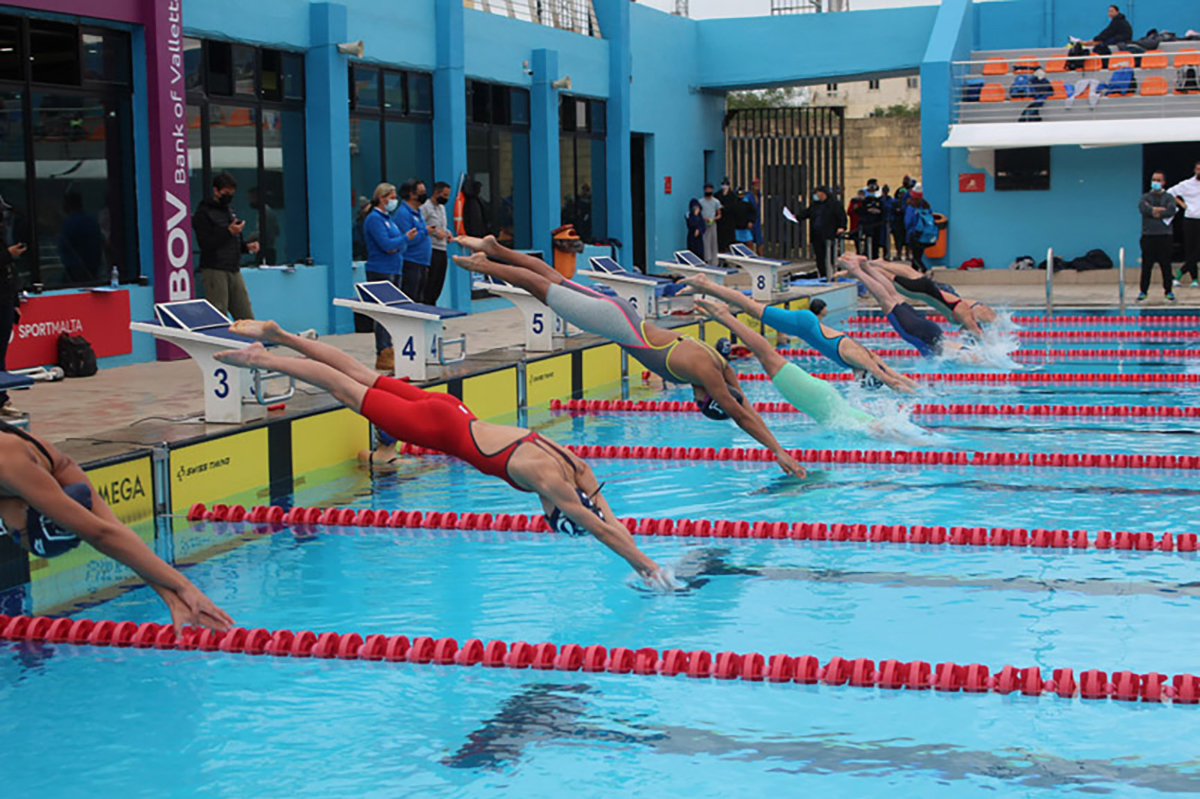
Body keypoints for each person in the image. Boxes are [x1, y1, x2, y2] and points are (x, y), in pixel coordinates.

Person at [213, 320, 676, 589]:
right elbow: (597, 527)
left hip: (456, 411)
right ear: (557, 509)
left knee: (357, 371)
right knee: (344, 387)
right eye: (551, 515)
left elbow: (604, 514)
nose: (545, 510)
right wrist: (649, 569)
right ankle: (263, 359)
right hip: (437, 427)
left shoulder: (575, 468)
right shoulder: (552, 482)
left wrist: (634, 546)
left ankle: (281, 335)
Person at [452, 235, 807, 478]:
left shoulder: (719, 364)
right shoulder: (702, 373)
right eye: (701, 400)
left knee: (550, 277)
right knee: (541, 287)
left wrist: (763, 427)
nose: (697, 397)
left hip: (623, 313)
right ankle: (486, 264)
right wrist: (777, 450)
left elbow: (741, 400)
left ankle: (494, 248)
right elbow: (739, 413)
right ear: (707, 398)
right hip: (614, 323)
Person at [0, 419, 232, 633]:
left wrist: (174, 596)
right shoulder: (23, 461)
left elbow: (110, 533)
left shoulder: (18, 463)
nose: (10, 535)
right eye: (17, 535)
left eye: (17, 537)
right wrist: (182, 589)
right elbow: (103, 535)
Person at [680, 274, 919, 393]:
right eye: (862, 381)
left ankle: (706, 289)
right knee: (750, 306)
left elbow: (889, 371)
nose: (857, 381)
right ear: (865, 376)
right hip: (803, 325)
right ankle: (705, 284)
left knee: (750, 308)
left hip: (805, 327)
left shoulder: (865, 360)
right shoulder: (860, 359)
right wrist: (907, 394)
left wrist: (917, 388)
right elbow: (886, 376)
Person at [694, 298, 876, 430]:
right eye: (699, 402)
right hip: (815, 397)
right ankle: (723, 315)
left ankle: (722, 315)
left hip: (818, 397)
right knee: (766, 355)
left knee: (766, 355)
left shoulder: (859, 423)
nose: (696, 400)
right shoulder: (865, 426)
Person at [841, 254, 954, 358]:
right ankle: (856, 270)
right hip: (917, 332)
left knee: (893, 296)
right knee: (886, 300)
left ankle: (866, 267)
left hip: (932, 331)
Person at [859, 257, 993, 337]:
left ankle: (878, 264)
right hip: (921, 290)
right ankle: (861, 268)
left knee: (909, 273)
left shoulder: (964, 310)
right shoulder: (966, 315)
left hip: (927, 288)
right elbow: (977, 333)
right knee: (888, 279)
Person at [362, 182, 418, 372]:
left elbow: (398, 246)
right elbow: (386, 245)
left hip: (396, 267)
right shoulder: (374, 219)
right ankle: (383, 350)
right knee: (383, 313)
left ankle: (392, 347)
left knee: (394, 311)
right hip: (380, 269)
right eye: (392, 197)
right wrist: (403, 240)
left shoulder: (389, 219)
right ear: (382, 198)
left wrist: (400, 242)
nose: (394, 201)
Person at [192, 172, 260, 320]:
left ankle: (249, 342)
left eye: (231, 194)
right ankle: (219, 342)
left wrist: (247, 247)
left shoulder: (230, 211)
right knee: (219, 314)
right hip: (215, 269)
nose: (228, 197)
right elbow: (205, 243)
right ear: (216, 190)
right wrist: (228, 232)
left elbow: (234, 241)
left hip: (233, 268)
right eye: (226, 193)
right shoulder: (203, 213)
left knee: (245, 314)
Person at [0, 195, 26, 417]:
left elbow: (9, 273)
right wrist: (7, 254)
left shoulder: (2, 234)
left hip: (5, 300)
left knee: (1, 353)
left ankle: (2, 399)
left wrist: (15, 301)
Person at [1138, 171, 1178, 302]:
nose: (1156, 182)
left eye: (1158, 180)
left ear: (1164, 182)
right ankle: (1143, 291)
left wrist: (1155, 211)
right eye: (1154, 179)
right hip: (1148, 235)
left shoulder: (1169, 197)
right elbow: (1144, 209)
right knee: (1146, 266)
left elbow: (1171, 210)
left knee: (1165, 265)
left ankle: (1168, 291)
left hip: (1164, 236)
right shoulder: (1145, 197)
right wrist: (1159, 210)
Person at [793, 186, 847, 277]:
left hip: (829, 234)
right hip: (816, 234)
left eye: (817, 193)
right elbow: (806, 213)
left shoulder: (834, 204)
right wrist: (796, 217)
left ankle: (834, 273)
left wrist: (841, 227)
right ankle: (823, 274)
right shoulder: (815, 205)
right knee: (820, 256)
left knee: (830, 255)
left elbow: (841, 216)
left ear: (822, 193)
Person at [395, 179, 431, 302]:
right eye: (421, 192)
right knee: (411, 297)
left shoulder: (418, 212)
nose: (425, 195)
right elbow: (408, 239)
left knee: (420, 297)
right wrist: (425, 232)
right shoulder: (403, 214)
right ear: (412, 195)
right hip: (410, 261)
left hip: (422, 262)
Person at [58, 189, 104, 284]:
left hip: (76, 268)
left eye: (65, 203)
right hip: (93, 266)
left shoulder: (71, 222)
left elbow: (64, 245)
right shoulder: (91, 220)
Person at [420, 181, 453, 306]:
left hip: (442, 248)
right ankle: (428, 307)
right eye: (444, 195)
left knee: (439, 282)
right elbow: (420, 226)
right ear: (436, 192)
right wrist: (435, 233)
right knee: (430, 282)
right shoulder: (425, 208)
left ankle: (433, 305)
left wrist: (448, 233)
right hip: (431, 248)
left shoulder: (442, 208)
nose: (446, 198)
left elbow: (443, 226)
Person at [1167, 161, 1200, 288]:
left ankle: (1181, 271)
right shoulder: (1187, 184)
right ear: (1194, 170)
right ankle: (1194, 279)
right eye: (1198, 168)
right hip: (1190, 219)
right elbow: (1170, 192)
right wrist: (1182, 204)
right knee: (1190, 249)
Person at [246, 186, 279, 265]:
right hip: (267, 249)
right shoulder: (267, 211)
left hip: (265, 250)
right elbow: (277, 231)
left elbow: (263, 232)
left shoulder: (264, 212)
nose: (250, 200)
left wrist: (250, 237)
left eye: (252, 197)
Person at [904, 186, 932, 273]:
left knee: (916, 257)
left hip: (914, 233)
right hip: (924, 234)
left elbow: (907, 221)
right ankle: (913, 275)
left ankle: (925, 271)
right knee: (918, 255)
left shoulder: (911, 207)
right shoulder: (926, 206)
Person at [858, 182, 885, 259]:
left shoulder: (878, 201)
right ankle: (867, 254)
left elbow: (882, 212)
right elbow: (861, 211)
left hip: (876, 224)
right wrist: (868, 210)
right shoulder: (865, 201)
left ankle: (875, 255)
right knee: (868, 241)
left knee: (876, 242)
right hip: (868, 224)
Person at [698, 183, 721, 265]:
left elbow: (719, 214)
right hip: (704, 224)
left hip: (713, 223)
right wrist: (703, 218)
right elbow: (698, 213)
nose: (708, 191)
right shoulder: (700, 201)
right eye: (707, 189)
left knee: (713, 242)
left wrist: (714, 218)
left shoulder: (716, 202)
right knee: (705, 241)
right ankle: (706, 259)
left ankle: (714, 261)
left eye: (710, 189)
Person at [715, 178, 738, 253]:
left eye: (726, 185)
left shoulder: (733, 196)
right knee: (720, 242)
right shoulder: (717, 195)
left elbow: (734, 207)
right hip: (720, 222)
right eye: (723, 184)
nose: (725, 186)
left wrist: (725, 207)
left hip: (730, 222)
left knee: (729, 242)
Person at [745, 178, 763, 255]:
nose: (758, 187)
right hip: (750, 220)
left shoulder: (759, 195)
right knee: (750, 240)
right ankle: (751, 256)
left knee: (760, 241)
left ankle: (761, 257)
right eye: (756, 185)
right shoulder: (748, 196)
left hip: (757, 220)